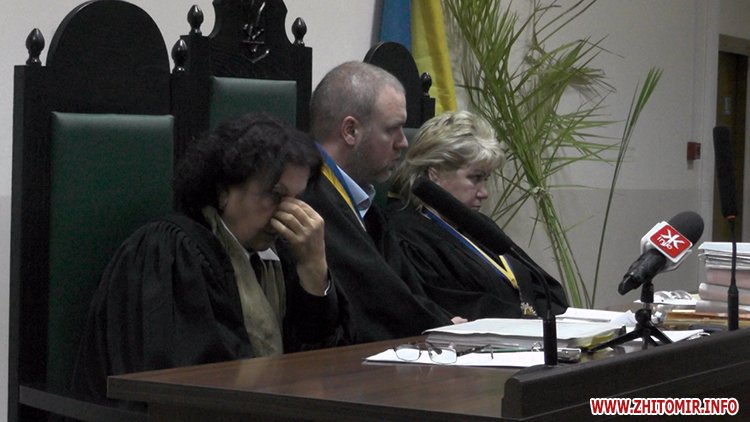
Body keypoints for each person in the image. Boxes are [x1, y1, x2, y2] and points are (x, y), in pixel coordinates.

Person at [73, 113, 349, 402]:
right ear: (223, 190)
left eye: (298, 199)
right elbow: (201, 381)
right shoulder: (172, 252)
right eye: (275, 195)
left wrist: (314, 268)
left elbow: (325, 365)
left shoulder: (283, 254)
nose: (288, 214)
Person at [301, 61, 455, 343]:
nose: (403, 143)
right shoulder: (309, 196)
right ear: (350, 131)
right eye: (392, 129)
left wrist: (447, 324)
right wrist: (443, 327)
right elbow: (375, 305)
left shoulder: (365, 204)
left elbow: (405, 291)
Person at [386, 110, 568, 321]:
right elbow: (447, 307)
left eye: (486, 179)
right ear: (434, 173)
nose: (484, 193)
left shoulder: (480, 227)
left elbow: (550, 294)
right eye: (475, 178)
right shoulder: (404, 236)